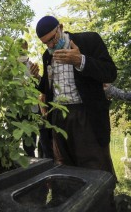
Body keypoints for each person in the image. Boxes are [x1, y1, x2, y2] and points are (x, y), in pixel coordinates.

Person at [36, 16, 117, 178]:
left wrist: (81, 61)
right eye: (46, 43)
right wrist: (34, 77)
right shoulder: (47, 56)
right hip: (59, 118)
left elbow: (110, 72)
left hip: (86, 115)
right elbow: (47, 87)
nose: (51, 45)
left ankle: (102, 202)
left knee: (95, 169)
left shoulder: (89, 40)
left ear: (60, 27)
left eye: (52, 39)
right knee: (66, 170)